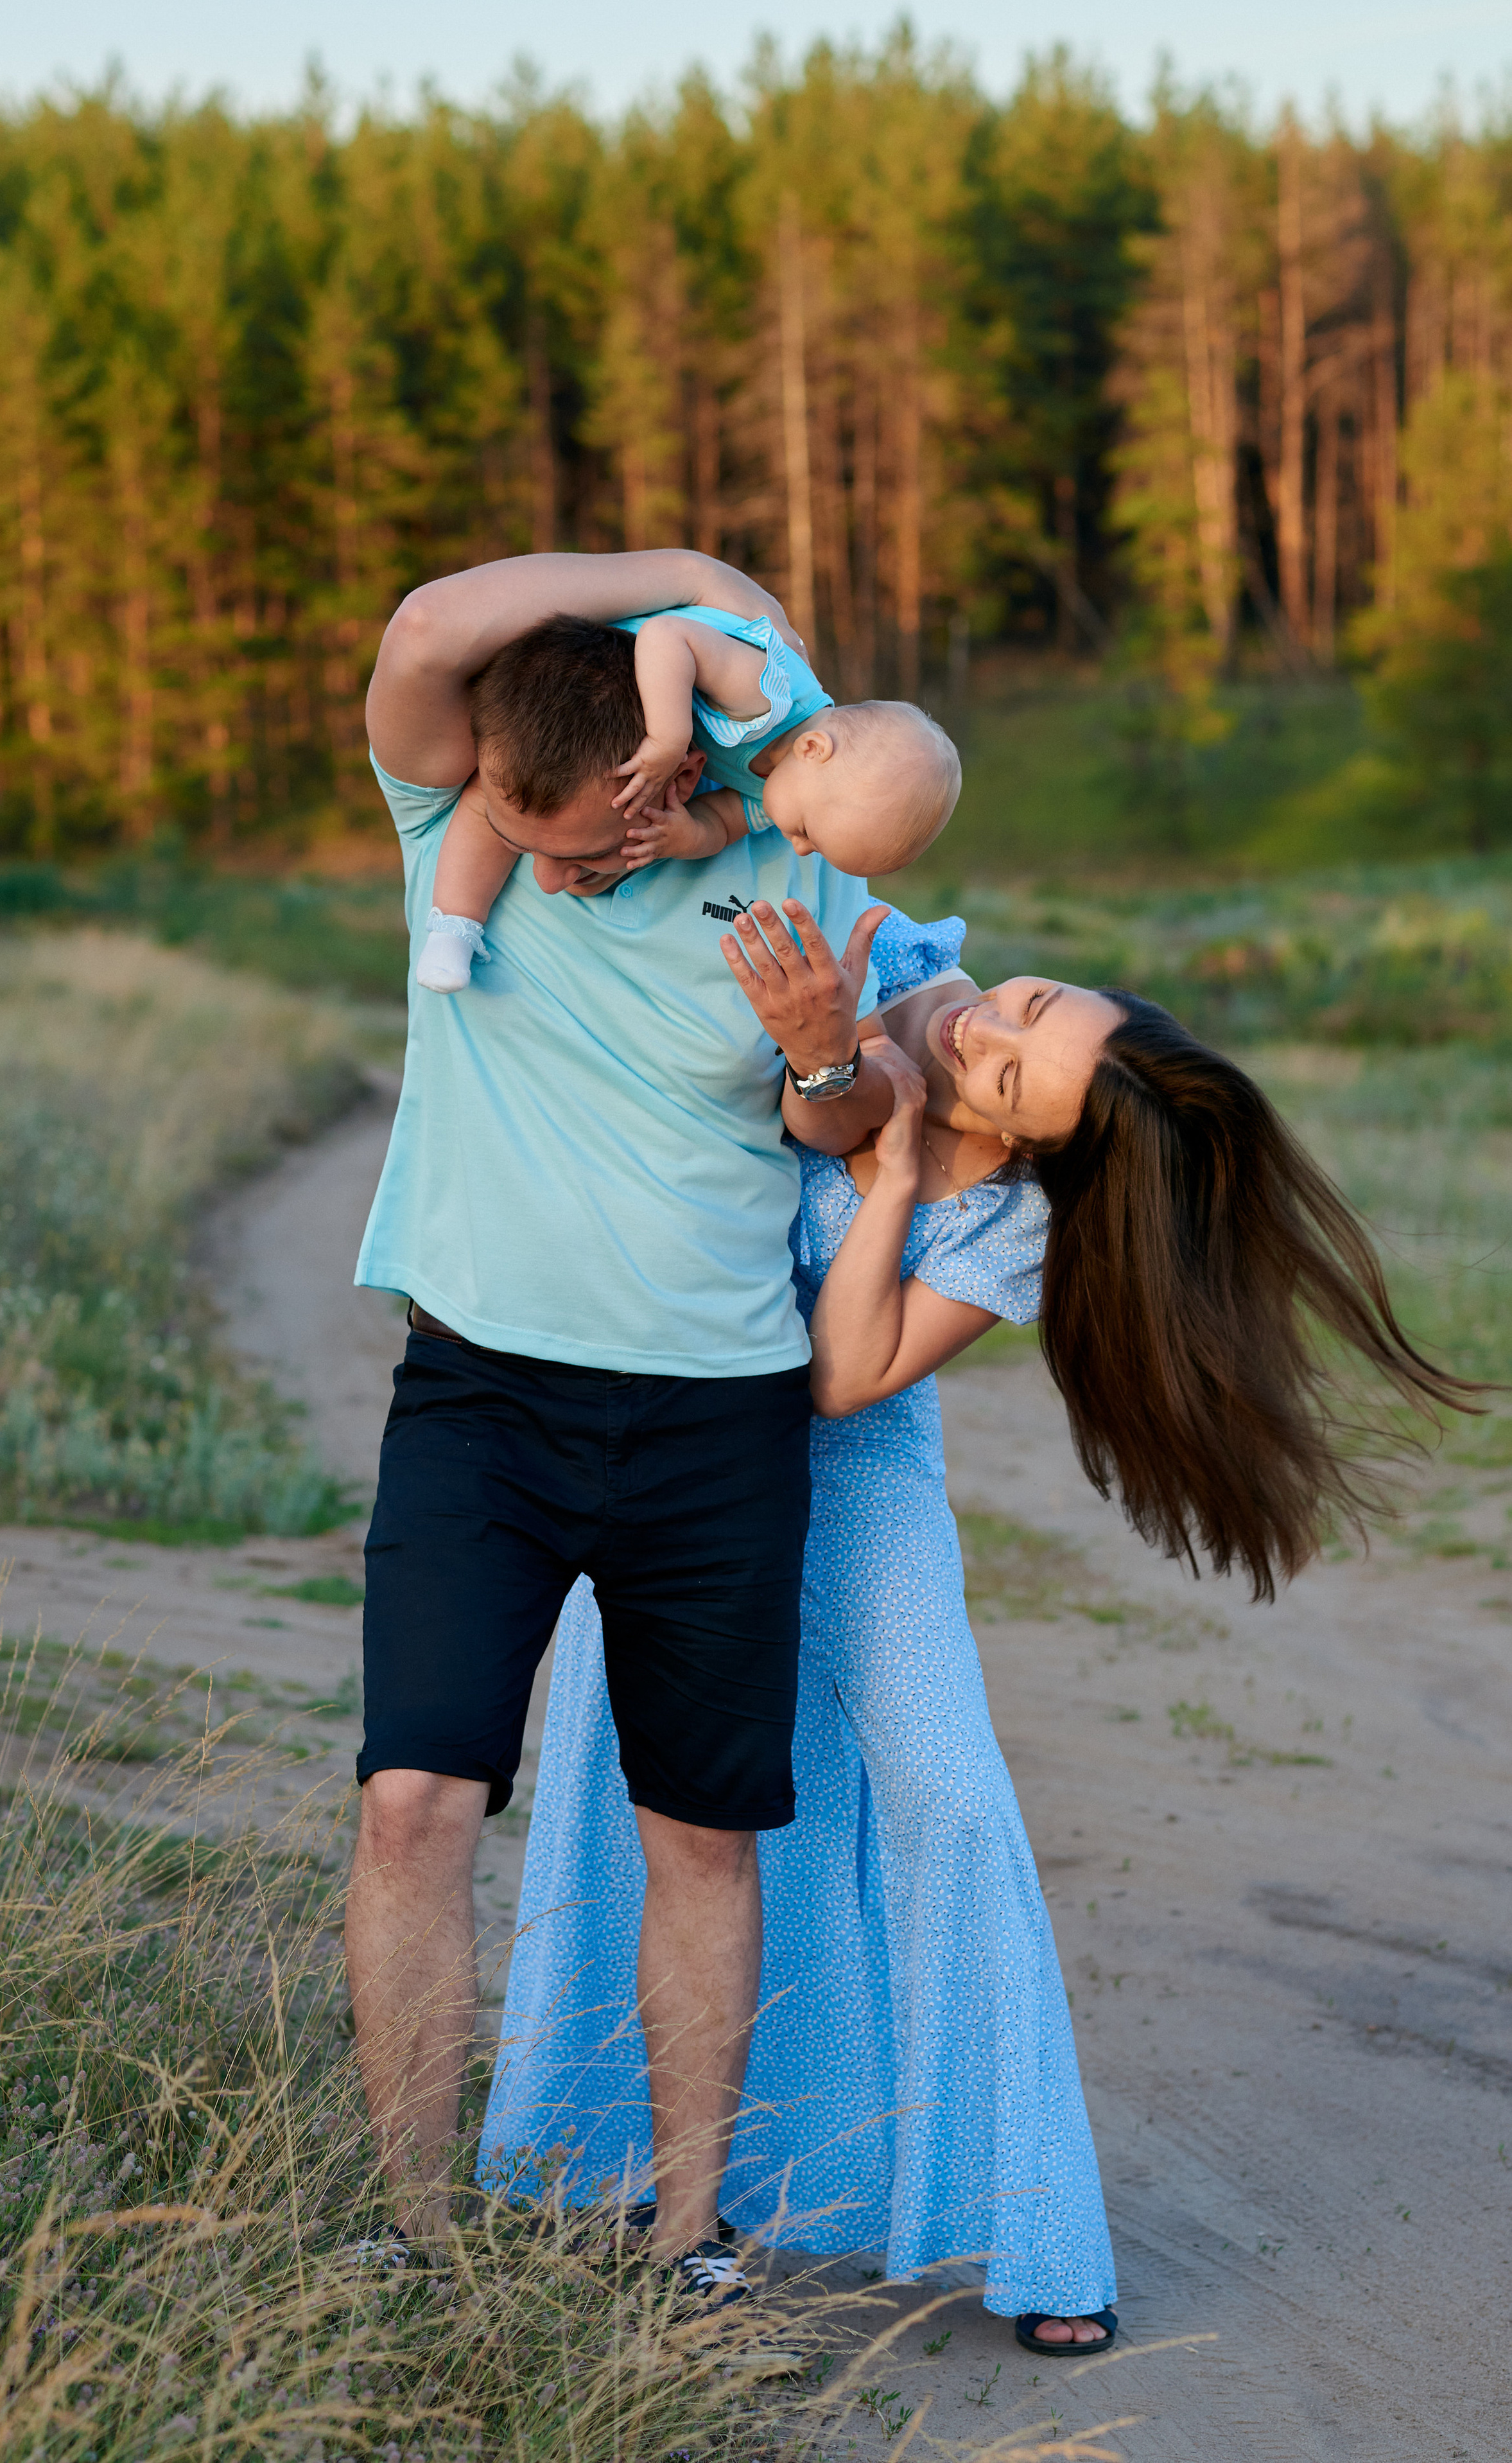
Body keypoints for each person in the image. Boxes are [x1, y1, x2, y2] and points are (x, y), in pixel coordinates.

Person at [480, 907, 1477, 2354]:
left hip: (852, 1506)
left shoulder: (1000, 1217)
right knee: (632, 1798)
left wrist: (887, 1180)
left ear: (1024, 1147)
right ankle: (648, 2166)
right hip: (674, 1463)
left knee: (945, 1801)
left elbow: (842, 1380)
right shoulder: (894, 973)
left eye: (1010, 1076)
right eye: (1028, 1001)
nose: (980, 1034)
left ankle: (1034, 2227)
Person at [345, 545, 905, 2331]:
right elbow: (433, 625)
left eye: (600, 838)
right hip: (479, 1397)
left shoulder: (788, 846)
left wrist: (827, 1059)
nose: (567, 871)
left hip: (715, 1420)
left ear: (676, 784)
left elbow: (858, 1120)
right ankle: (411, 2234)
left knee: (702, 1833)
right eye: (550, 838)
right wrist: (678, 578)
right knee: (415, 1801)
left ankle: (690, 2239)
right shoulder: (468, 807)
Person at [414, 599, 959, 992]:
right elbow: (665, 638)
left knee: (537, 818)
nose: (796, 847)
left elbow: (721, 823)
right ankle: (453, 924)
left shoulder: (783, 792)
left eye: (810, 848)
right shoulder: (765, 693)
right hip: (594, 674)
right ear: (815, 748)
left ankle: (456, 928)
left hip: (614, 723)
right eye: (809, 834)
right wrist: (668, 738)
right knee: (502, 804)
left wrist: (681, 836)